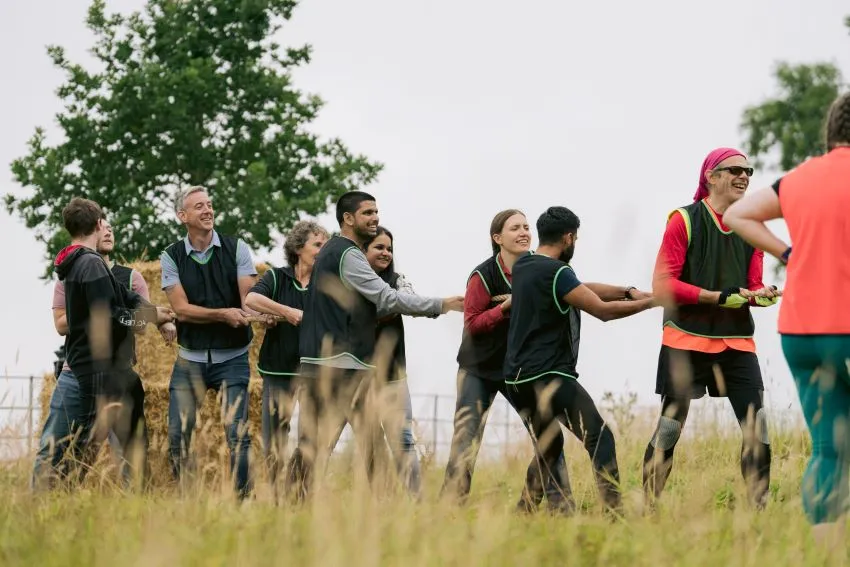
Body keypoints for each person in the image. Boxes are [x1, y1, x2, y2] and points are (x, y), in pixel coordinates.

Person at [725, 92, 850, 549]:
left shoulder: (799, 179)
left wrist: (786, 252)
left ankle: (828, 552)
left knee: (830, 448)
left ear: (831, 132)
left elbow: (737, 214)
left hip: (802, 331)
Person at [286, 191, 464, 500]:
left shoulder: (331, 253)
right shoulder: (347, 254)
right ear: (348, 219)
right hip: (341, 367)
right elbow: (386, 297)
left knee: (327, 446)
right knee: (339, 447)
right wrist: (442, 304)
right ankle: (298, 507)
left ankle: (295, 507)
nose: (375, 218)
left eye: (376, 212)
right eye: (368, 212)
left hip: (332, 366)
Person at [643, 147, 779, 511]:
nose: (744, 176)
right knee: (670, 427)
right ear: (711, 177)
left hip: (736, 343)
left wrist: (761, 295)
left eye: (748, 171)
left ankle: (758, 511)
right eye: (734, 169)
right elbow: (662, 285)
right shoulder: (683, 220)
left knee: (758, 428)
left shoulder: (752, 227)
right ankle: (649, 508)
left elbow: (751, 285)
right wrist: (716, 297)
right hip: (684, 340)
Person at [503, 206, 656, 515]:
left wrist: (629, 291)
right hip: (549, 375)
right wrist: (654, 302)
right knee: (600, 438)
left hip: (517, 381)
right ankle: (615, 516)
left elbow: (580, 288)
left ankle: (524, 512)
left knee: (550, 445)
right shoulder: (558, 272)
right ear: (569, 238)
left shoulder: (525, 266)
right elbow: (601, 310)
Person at [441, 209, 573, 512]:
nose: (524, 232)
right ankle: (449, 511)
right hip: (479, 369)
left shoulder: (539, 269)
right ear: (497, 238)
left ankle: (555, 508)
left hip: (520, 370)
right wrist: (505, 308)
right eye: (515, 228)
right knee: (466, 441)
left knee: (548, 436)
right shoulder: (482, 275)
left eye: (526, 227)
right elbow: (472, 323)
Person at [33, 218, 170, 488]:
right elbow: (60, 324)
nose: (107, 231)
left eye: (112, 228)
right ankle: (40, 505)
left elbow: (141, 321)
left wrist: (158, 318)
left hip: (118, 373)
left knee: (132, 457)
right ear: (93, 230)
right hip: (78, 373)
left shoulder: (131, 277)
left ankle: (137, 513)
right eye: (103, 226)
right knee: (58, 447)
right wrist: (96, 313)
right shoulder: (69, 273)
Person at [160, 185, 257, 499]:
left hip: (234, 359)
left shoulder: (237, 248)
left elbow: (249, 301)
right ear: (182, 216)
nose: (207, 210)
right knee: (178, 435)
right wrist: (223, 314)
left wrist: (258, 312)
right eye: (199, 206)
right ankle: (189, 500)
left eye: (210, 204)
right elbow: (181, 310)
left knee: (237, 436)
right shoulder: (171, 256)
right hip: (190, 361)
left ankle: (244, 502)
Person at [244, 220, 329, 500]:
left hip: (315, 372)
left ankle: (300, 495)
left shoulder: (326, 284)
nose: (323, 250)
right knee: (274, 441)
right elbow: (251, 300)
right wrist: (287, 312)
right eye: (318, 244)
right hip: (278, 370)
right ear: (298, 247)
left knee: (311, 439)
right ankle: (274, 497)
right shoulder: (277, 278)